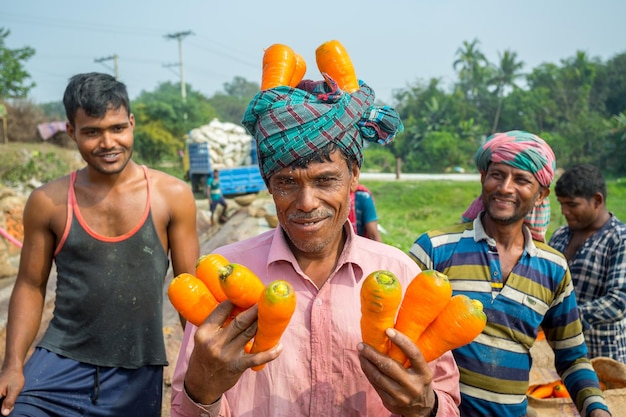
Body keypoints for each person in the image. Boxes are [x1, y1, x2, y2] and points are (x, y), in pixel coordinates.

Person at [170, 76, 461, 416]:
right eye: (286, 183)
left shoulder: (400, 273)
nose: (306, 202)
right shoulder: (222, 276)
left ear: (354, 175)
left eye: (325, 180)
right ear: (268, 183)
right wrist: (203, 391)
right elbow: (182, 407)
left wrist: (426, 407)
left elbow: (446, 400)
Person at [0, 72, 199, 416]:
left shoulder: (172, 196)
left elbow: (190, 294)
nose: (108, 143)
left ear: (132, 123)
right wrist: (13, 365)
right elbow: (31, 286)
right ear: (71, 132)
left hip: (137, 372)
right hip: (58, 366)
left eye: (117, 128)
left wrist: (203, 365)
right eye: (92, 132)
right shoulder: (48, 202)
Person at [409, 131, 611, 416]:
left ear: (541, 194)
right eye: (497, 174)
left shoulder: (553, 267)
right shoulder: (435, 249)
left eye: (521, 180)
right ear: (483, 178)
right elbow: (398, 335)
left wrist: (596, 409)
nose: (505, 187)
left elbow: (573, 358)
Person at [549, 164, 626, 363]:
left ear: (597, 200)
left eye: (572, 205)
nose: (564, 211)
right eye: (561, 204)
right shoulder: (560, 235)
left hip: (602, 355)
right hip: (557, 353)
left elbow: (619, 301)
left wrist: (567, 318)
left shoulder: (619, 239)